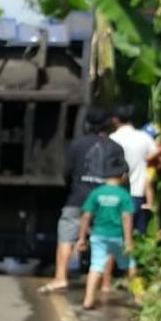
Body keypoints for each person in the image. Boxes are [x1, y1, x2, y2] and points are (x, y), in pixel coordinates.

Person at [39, 107, 127, 294]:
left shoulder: (76, 145)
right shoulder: (115, 147)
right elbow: (122, 176)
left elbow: (66, 172)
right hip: (105, 202)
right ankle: (105, 283)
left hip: (77, 199)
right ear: (109, 124)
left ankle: (60, 278)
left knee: (65, 237)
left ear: (87, 124)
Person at [76, 168, 136, 310]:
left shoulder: (96, 193)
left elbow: (86, 215)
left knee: (96, 266)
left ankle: (88, 299)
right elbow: (126, 217)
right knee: (130, 265)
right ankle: (137, 297)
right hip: (118, 236)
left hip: (98, 236)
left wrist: (81, 238)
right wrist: (128, 241)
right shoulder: (123, 195)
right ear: (123, 177)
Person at [109, 105, 161, 235]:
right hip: (139, 193)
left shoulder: (112, 139)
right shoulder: (144, 137)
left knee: (117, 236)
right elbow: (157, 151)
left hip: (117, 193)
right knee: (139, 236)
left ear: (115, 120)